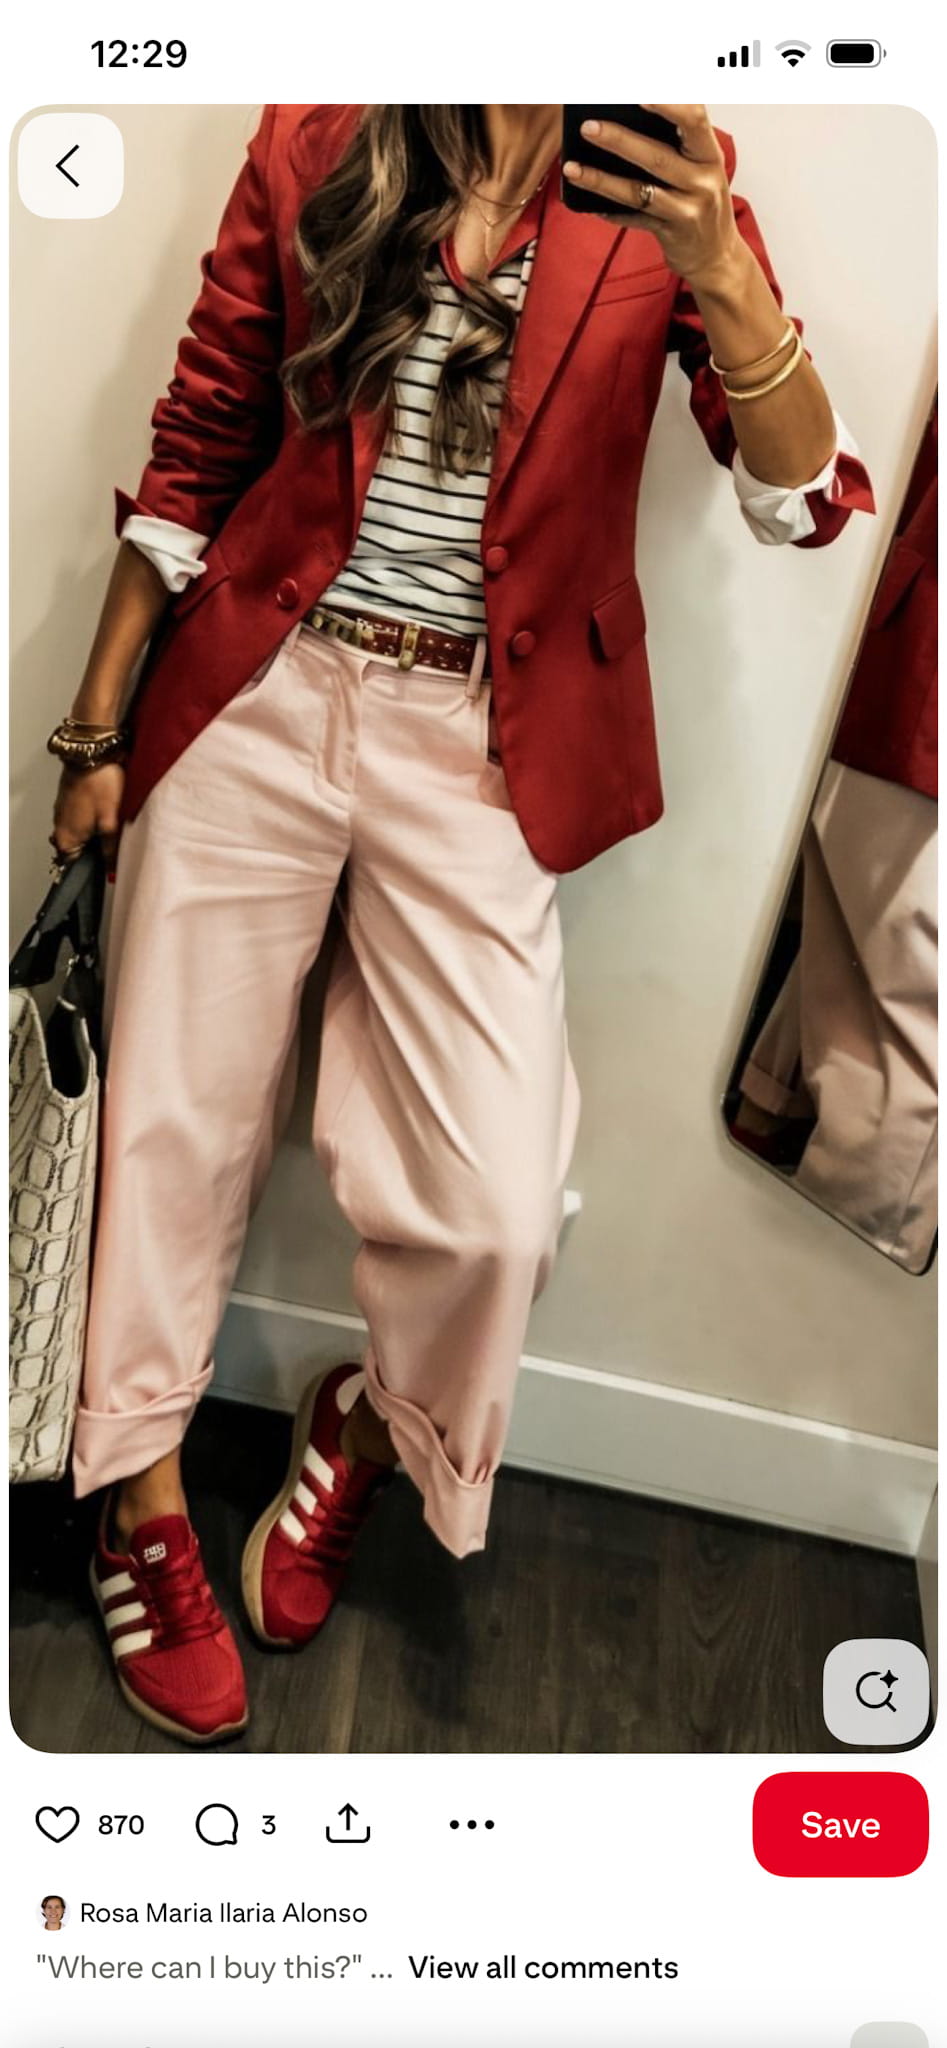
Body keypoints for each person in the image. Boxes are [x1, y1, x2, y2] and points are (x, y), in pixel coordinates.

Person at [47, 104, 874, 1744]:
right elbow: (205, 430)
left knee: (497, 1205)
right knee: (166, 1133)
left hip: (484, 742)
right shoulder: (325, 129)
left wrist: (713, 255)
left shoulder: (664, 174)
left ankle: (371, 1425)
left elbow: (801, 503)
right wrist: (95, 726)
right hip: (259, 695)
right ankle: (139, 1492)